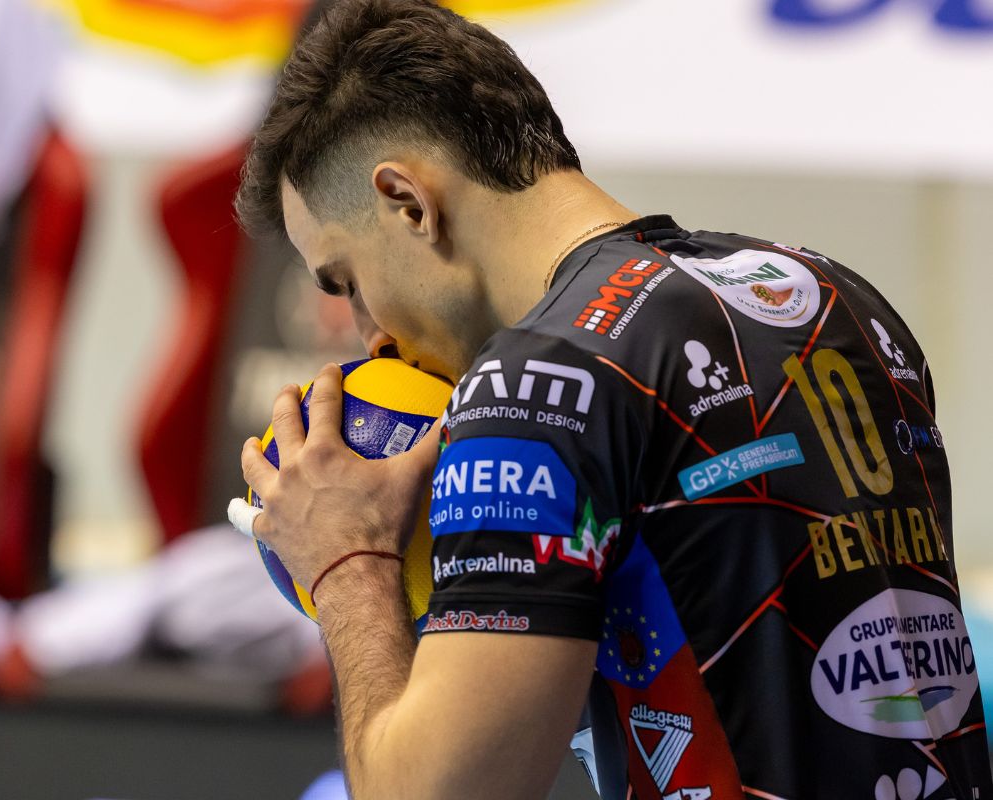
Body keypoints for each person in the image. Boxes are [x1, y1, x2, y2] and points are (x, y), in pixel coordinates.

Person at [227, 0, 992, 797]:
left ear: (409, 202)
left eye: (347, 281)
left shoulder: (529, 388)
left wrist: (349, 562)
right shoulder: (832, 294)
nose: (371, 337)